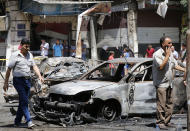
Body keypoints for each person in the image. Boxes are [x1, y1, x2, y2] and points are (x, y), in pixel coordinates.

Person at [3, 38, 44, 128]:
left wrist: (39, 76)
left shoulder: (30, 55)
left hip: (27, 81)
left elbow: (34, 66)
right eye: (26, 46)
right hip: (18, 81)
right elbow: (9, 69)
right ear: (21, 46)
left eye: (29, 46)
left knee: (22, 101)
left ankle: (17, 122)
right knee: (25, 101)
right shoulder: (15, 55)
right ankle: (29, 121)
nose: (27, 48)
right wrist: (5, 83)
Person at [152, 36, 185, 129]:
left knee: (170, 103)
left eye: (171, 43)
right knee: (161, 104)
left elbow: (175, 65)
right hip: (161, 83)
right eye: (169, 43)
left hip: (169, 83)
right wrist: (166, 55)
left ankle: (167, 121)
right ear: (163, 44)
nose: (171, 45)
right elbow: (161, 67)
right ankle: (160, 122)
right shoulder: (157, 54)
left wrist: (185, 69)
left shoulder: (170, 54)